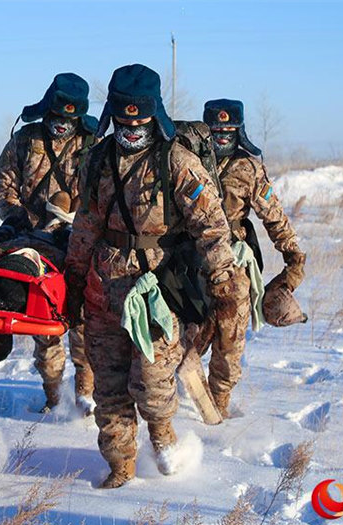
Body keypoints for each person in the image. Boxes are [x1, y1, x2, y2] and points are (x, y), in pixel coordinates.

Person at [65, 64, 240, 488]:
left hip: (156, 293)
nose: (132, 127)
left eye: (140, 118)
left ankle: (163, 440)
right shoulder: (98, 160)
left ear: (155, 113)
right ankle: (120, 467)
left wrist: (222, 286)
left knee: (153, 382)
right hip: (103, 290)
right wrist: (72, 277)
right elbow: (86, 222)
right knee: (108, 387)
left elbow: (212, 227)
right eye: (123, 119)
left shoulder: (178, 161)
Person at [0, 73, 98, 414]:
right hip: (34, 248)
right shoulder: (24, 140)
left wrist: (82, 224)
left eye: (70, 119)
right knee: (43, 324)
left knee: (83, 324)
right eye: (57, 117)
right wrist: (22, 224)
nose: (63, 125)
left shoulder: (94, 143)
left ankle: (85, 396)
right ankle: (53, 397)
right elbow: (3, 187)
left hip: (80, 244)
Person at [202, 99, 307, 417]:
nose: (222, 136)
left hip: (235, 261)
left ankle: (218, 406)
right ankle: (182, 393)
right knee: (188, 336)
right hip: (191, 258)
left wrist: (292, 253)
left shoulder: (249, 167)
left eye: (229, 130)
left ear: (239, 131)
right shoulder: (189, 159)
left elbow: (272, 214)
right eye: (216, 130)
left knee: (230, 341)